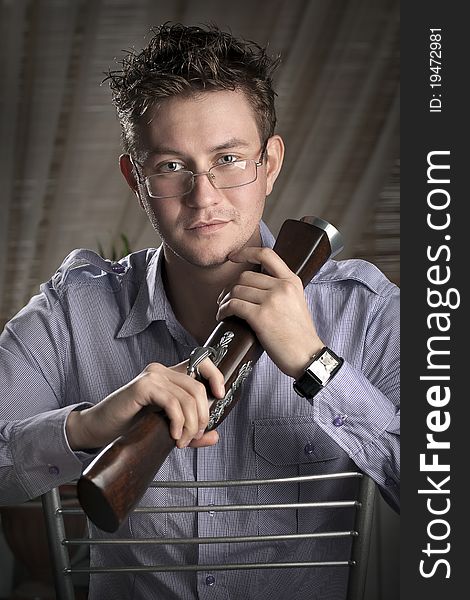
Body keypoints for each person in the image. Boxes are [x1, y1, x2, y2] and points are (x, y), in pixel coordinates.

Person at [0, 22, 399, 600]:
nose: (204, 196)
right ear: (135, 178)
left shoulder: (365, 310)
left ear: (270, 162)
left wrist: (318, 366)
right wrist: (89, 426)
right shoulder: (72, 309)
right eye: (170, 167)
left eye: (229, 159)